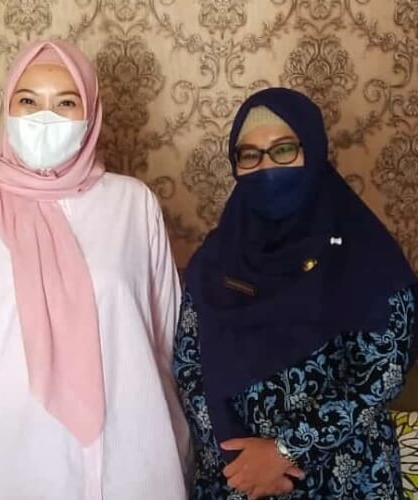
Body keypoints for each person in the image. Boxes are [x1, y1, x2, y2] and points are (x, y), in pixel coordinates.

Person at [0, 40, 191, 500]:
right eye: (28, 101)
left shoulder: (133, 204)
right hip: (19, 465)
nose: (45, 117)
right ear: (7, 107)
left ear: (91, 112)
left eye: (66, 103)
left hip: (136, 457)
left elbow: (166, 338)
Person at [174, 87, 418, 499]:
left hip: (344, 478)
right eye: (250, 155)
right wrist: (241, 461)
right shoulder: (216, 260)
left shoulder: (363, 252)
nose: (266, 165)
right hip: (238, 478)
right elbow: (188, 366)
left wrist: (286, 451)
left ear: (314, 151)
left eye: (283, 149)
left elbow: (385, 371)